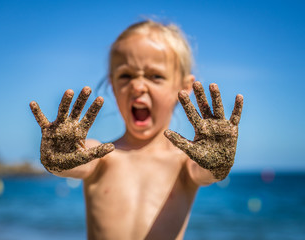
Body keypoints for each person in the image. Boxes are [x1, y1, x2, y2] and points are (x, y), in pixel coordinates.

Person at [30, 20, 243, 240]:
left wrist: (218, 160)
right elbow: (72, 164)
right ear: (112, 85)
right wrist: (58, 159)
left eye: (155, 76)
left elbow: (205, 172)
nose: (138, 86)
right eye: (126, 75)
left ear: (185, 87)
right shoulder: (101, 155)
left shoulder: (183, 162)